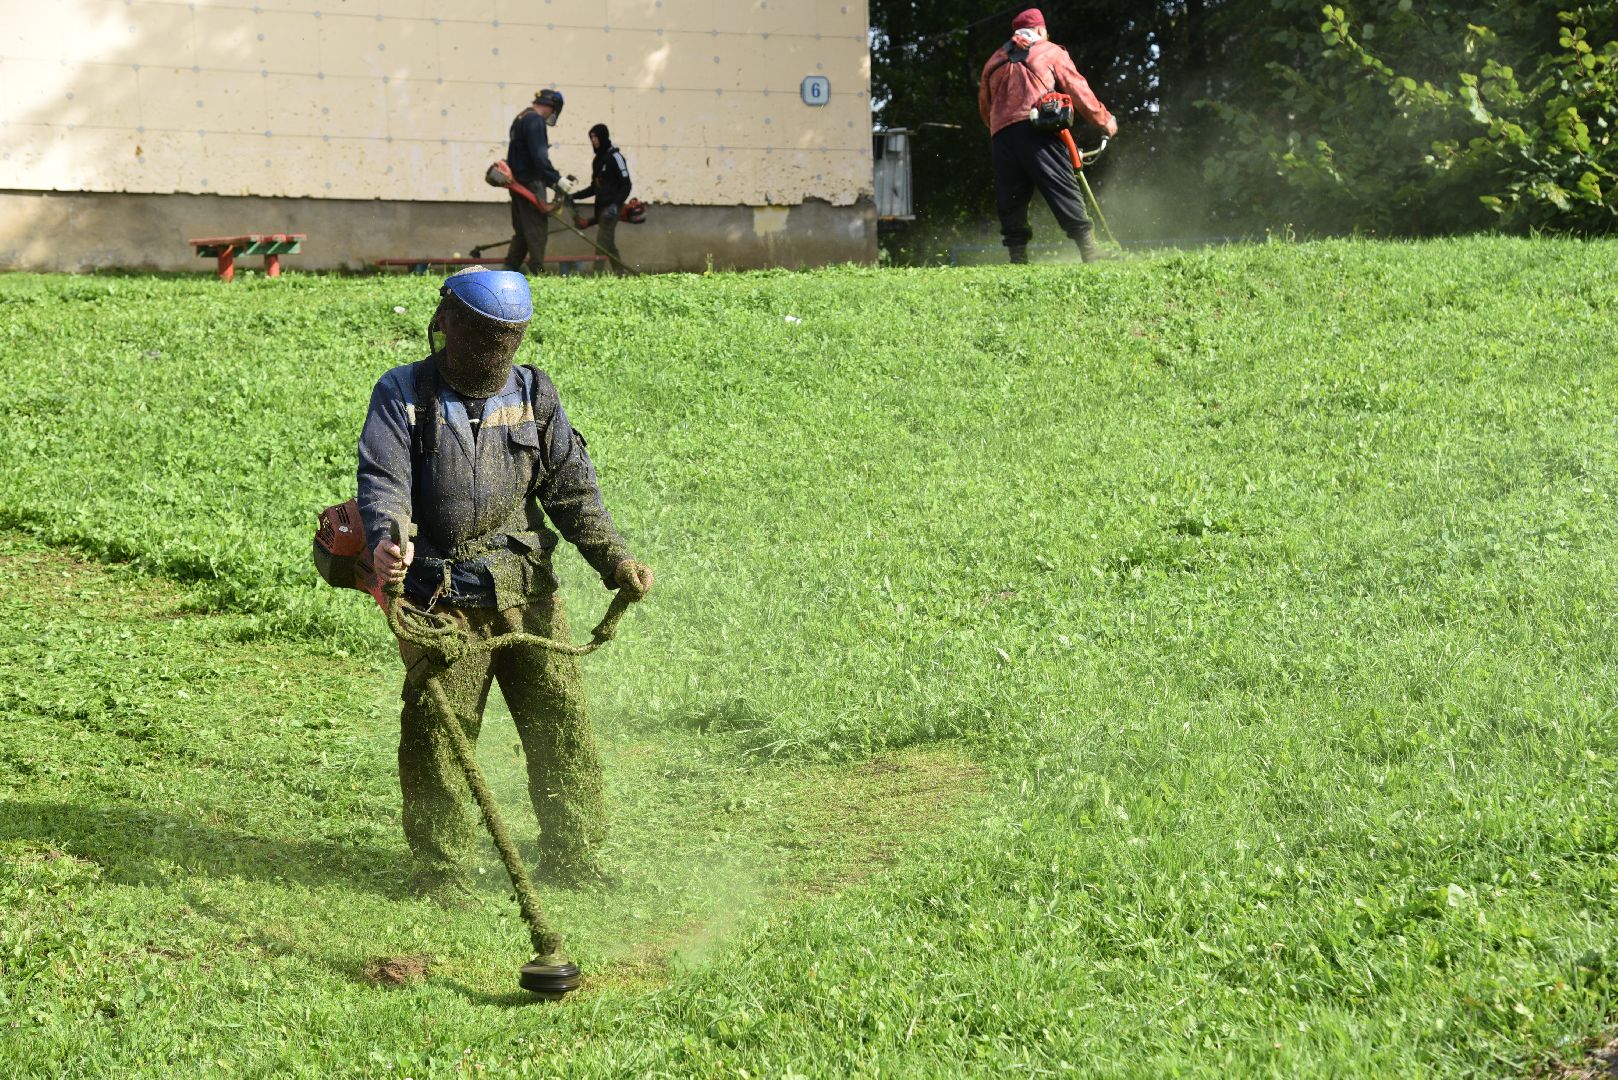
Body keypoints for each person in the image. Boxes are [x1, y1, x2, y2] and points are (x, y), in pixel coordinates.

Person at [356, 266, 654, 902]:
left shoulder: (535, 395)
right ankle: (442, 871)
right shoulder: (403, 394)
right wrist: (390, 540)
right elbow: (385, 482)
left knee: (559, 720)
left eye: (502, 340)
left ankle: (573, 856)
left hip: (527, 591)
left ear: (512, 338)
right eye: (482, 337)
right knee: (441, 732)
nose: (492, 352)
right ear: (449, 325)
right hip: (441, 596)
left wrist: (616, 562)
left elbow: (572, 492)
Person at [977, 8, 1119, 264]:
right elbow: (1078, 89)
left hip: (1001, 137)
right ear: (1040, 29)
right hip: (1036, 130)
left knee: (1011, 198)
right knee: (1061, 187)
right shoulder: (1049, 51)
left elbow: (985, 108)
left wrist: (1000, 129)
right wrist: (1104, 120)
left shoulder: (993, 62)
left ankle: (1017, 258)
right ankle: (1089, 249)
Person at [503, 88, 572, 275]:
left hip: (517, 185)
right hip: (530, 186)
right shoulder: (535, 121)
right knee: (536, 232)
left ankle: (508, 271)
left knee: (522, 233)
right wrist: (557, 179)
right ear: (551, 106)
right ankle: (539, 273)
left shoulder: (521, 117)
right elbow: (539, 157)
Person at [572, 123, 633, 275]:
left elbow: (627, 185)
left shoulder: (616, 157)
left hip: (612, 208)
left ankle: (596, 275)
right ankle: (620, 273)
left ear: (603, 137)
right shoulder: (597, 161)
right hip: (600, 209)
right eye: (591, 137)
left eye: (596, 137)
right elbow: (595, 187)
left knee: (601, 242)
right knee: (608, 243)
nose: (593, 140)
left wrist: (616, 205)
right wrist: (575, 196)